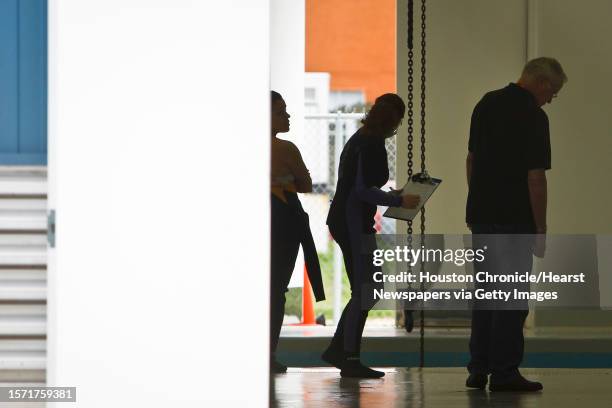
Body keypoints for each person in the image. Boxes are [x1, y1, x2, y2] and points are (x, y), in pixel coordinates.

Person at [465, 57, 567, 392]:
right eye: (553, 91)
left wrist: (481, 200)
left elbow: (472, 160)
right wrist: (541, 229)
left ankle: (478, 368)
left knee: (484, 296)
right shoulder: (534, 117)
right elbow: (535, 177)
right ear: (541, 82)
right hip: (515, 221)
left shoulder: (486, 103)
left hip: (481, 217)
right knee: (510, 298)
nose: (551, 98)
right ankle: (505, 372)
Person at [321, 93, 420, 378]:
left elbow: (359, 185)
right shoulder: (370, 143)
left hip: (349, 218)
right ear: (393, 120)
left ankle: (339, 349)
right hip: (351, 221)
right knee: (367, 289)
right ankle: (348, 356)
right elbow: (361, 190)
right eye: (398, 122)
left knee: (368, 288)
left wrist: (392, 195)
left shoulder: (359, 138)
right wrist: (398, 201)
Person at [270, 91, 325, 374]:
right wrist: (287, 180)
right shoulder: (285, 149)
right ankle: (269, 353)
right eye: (281, 112)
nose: (287, 116)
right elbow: (305, 183)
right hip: (282, 220)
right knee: (275, 289)